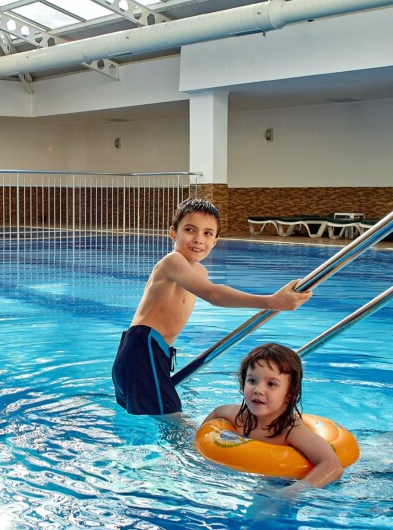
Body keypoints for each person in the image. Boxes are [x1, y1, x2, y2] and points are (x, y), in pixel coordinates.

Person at [111, 198, 311, 418]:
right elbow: (213, 294)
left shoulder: (199, 272)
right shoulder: (173, 261)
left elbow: (214, 292)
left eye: (207, 233)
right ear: (173, 233)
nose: (198, 239)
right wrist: (271, 301)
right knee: (174, 423)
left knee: (154, 420)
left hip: (151, 353)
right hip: (142, 349)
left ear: (215, 241)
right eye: (189, 230)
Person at [202, 343, 343, 491]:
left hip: (282, 481)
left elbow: (332, 465)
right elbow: (217, 412)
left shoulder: (289, 429)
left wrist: (291, 492)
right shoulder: (239, 417)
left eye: (271, 384)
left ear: (289, 393)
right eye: (252, 381)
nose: (258, 390)